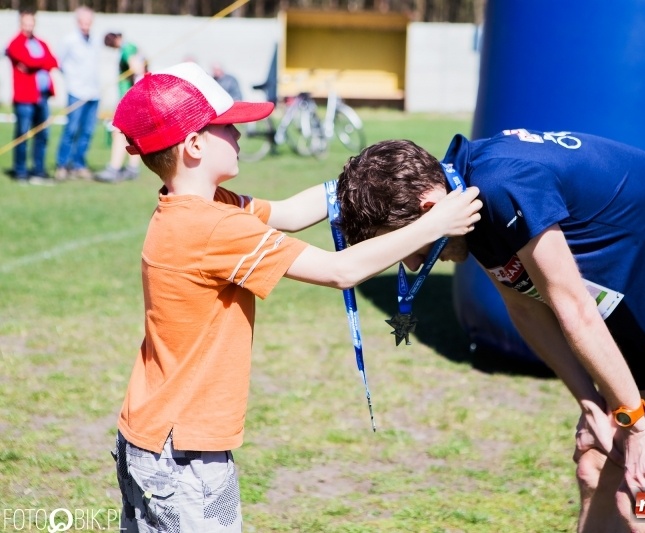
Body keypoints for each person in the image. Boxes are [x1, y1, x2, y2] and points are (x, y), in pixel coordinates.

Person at [335, 131, 645, 532]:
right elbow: (523, 306)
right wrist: (592, 404)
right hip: (642, 314)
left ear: (428, 211)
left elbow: (575, 309)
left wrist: (633, 424)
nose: (412, 265)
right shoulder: (464, 197)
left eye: (408, 247)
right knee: (594, 466)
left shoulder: (503, 185)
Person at [109, 62, 481, 532]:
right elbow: (339, 270)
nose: (243, 133)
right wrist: (433, 226)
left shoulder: (203, 207)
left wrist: (366, 178)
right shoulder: (213, 228)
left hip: (147, 434)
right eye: (229, 126)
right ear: (195, 145)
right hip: (184, 454)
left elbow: (288, 211)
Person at [5, 8, 58, 185]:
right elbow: (28, 60)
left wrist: (35, 64)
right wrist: (39, 62)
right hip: (24, 98)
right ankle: (20, 171)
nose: (29, 27)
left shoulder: (41, 43)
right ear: (20, 24)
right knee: (22, 133)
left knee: (42, 135)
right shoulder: (14, 44)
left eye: (31, 23)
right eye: (25, 24)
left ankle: (38, 169)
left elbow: (53, 61)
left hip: (42, 96)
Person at [54, 6, 101, 181]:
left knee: (87, 132)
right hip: (76, 92)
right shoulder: (69, 40)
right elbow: (59, 62)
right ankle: (62, 165)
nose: (85, 26)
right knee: (71, 130)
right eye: (82, 22)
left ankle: (78, 165)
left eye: (88, 22)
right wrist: (72, 79)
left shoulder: (95, 40)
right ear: (77, 22)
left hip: (94, 93)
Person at [94, 32, 146, 183]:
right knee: (133, 135)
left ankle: (114, 169)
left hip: (129, 97)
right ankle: (132, 168)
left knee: (119, 132)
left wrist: (134, 68)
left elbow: (136, 68)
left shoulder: (126, 48)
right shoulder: (133, 46)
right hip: (136, 96)